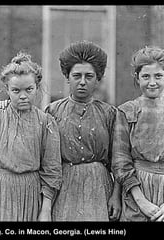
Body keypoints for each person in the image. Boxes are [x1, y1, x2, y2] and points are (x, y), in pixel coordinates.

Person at [0, 51, 62, 221]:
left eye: (29, 89)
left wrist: (46, 209)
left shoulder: (46, 121)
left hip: (31, 192)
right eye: (16, 90)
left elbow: (52, 167)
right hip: (0, 190)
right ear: (7, 90)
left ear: (37, 87)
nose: (23, 96)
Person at [45, 41, 122, 221]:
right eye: (76, 75)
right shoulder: (52, 111)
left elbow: (119, 160)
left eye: (89, 76)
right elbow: (46, 159)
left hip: (99, 187)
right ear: (67, 77)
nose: (82, 82)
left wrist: (116, 196)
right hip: (64, 187)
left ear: (98, 78)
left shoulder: (110, 113)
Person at [112, 46, 164, 221]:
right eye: (145, 76)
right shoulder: (127, 111)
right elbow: (120, 161)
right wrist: (142, 202)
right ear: (137, 78)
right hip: (136, 192)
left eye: (158, 76)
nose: (152, 82)